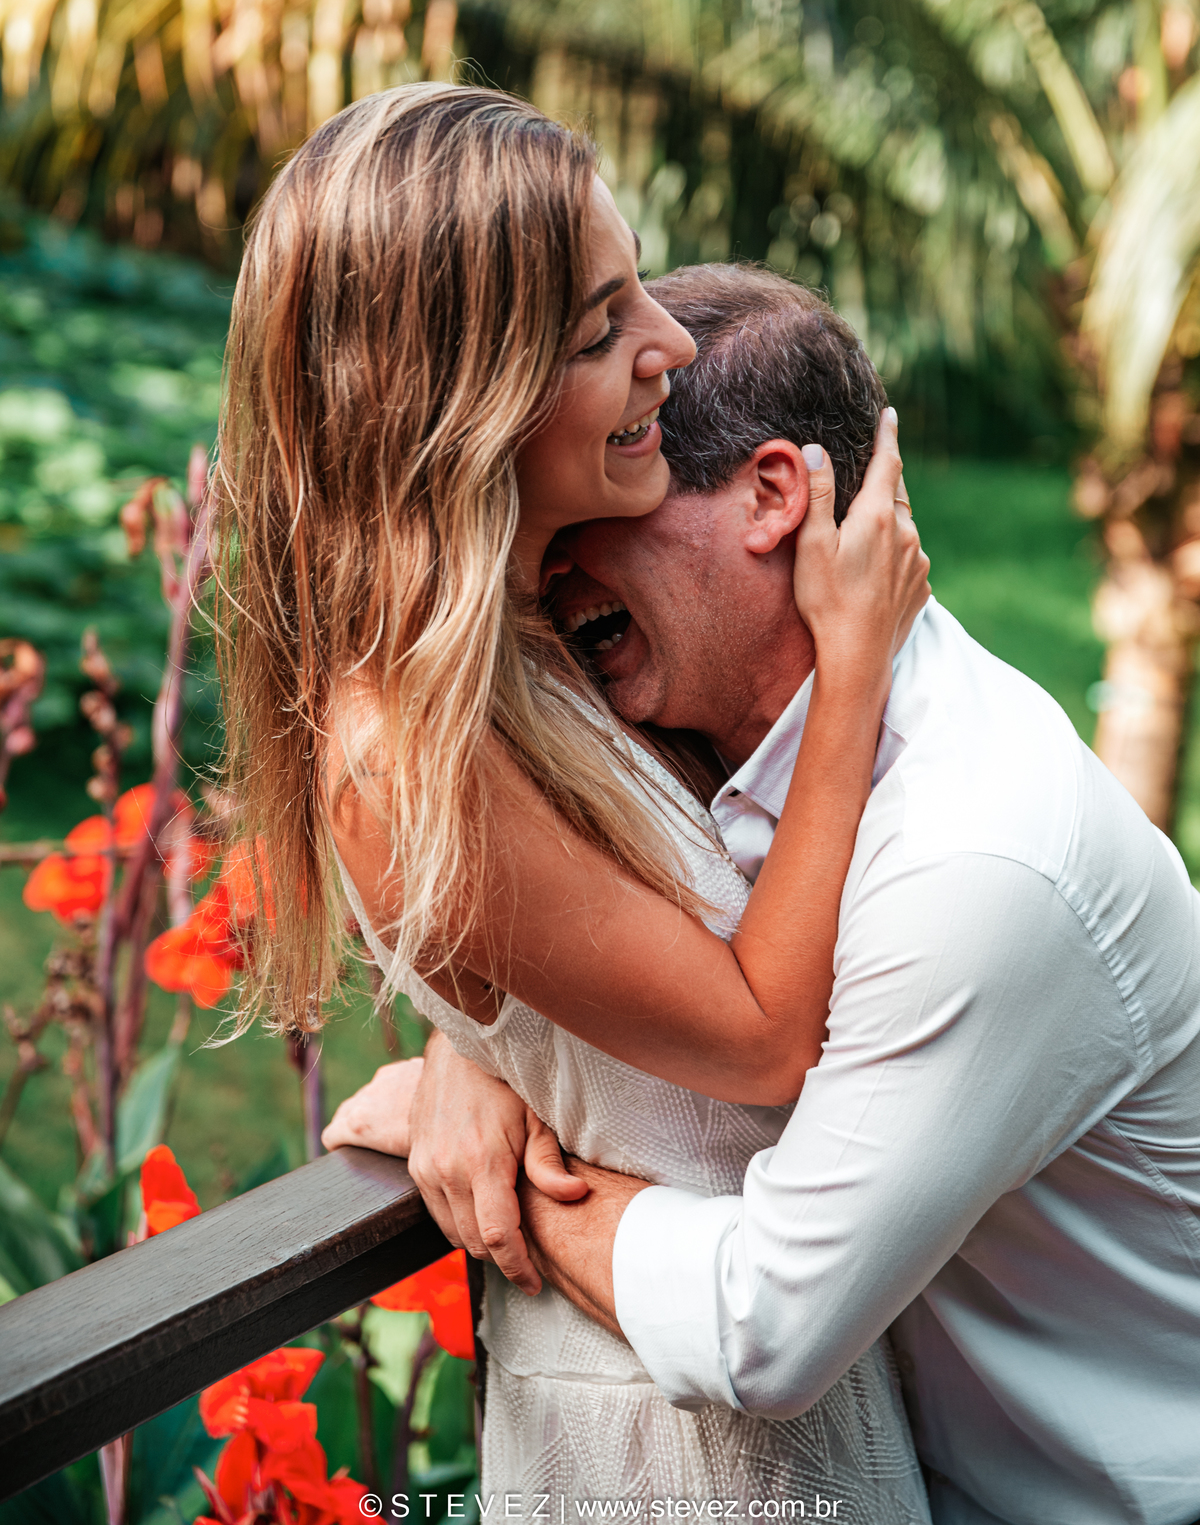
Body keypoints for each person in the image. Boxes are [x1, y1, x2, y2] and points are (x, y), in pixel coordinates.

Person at [333, 262, 1200, 1525]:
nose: (546, 572)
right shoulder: (709, 730)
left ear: (773, 495)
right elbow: (588, 951)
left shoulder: (980, 860)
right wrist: (484, 1047)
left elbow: (763, 1328)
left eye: (603, 500)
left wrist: (509, 1165)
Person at [215, 84, 931, 1517]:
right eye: (603, 331)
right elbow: (758, 1033)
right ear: (453, 399)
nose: (670, 347)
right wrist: (852, 667)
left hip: (732, 1364)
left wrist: (476, 1053)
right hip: (679, 1438)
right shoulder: (403, 745)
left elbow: (548, 965)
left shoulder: (513, 644)